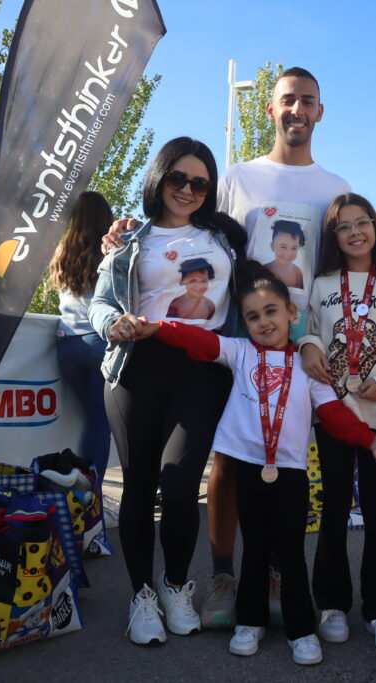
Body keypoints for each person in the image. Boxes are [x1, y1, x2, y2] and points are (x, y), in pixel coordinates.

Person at [102, 66, 376, 629]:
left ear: (320, 111)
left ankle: (279, 572)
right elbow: (189, 230)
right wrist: (126, 235)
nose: (296, 109)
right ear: (272, 110)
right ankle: (226, 573)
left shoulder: (334, 186)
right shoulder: (236, 177)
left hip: (309, 345)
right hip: (236, 342)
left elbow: (355, 264)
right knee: (230, 456)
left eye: (307, 101)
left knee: (294, 458)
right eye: (286, 101)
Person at [127, 262, 376, 666]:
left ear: (291, 314)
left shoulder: (309, 367)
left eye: (271, 312)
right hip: (249, 469)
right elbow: (200, 341)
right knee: (254, 549)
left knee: (291, 551)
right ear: (243, 323)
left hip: (292, 475)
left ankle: (302, 629)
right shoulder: (240, 351)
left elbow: (334, 415)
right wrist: (158, 328)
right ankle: (250, 621)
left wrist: (369, 441)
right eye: (252, 316)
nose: (263, 322)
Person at [88, 137, 247, 646]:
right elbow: (99, 303)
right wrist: (112, 324)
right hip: (136, 366)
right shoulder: (131, 239)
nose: (188, 190)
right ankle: (141, 595)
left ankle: (176, 585)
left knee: (179, 485)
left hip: (202, 367)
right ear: (160, 178)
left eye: (200, 182)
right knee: (137, 484)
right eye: (178, 178)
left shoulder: (225, 239)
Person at [298, 193, 376, 653]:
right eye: (343, 227)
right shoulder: (322, 283)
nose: (354, 232)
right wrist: (308, 344)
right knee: (332, 508)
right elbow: (308, 328)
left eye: (362, 222)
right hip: (335, 412)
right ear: (333, 237)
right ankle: (330, 602)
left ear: (375, 227)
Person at [47, 191, 115, 478]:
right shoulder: (110, 251)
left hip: (65, 344)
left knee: (93, 418)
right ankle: (92, 492)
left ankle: (80, 485)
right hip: (97, 341)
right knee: (102, 420)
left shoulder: (62, 251)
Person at [264, 220, 306, 289]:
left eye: (294, 248)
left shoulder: (297, 272)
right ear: (273, 246)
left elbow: (300, 296)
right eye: (283, 247)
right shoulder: (265, 269)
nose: (288, 253)